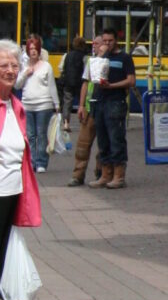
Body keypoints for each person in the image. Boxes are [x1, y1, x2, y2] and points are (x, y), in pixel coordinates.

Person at [0, 39, 43, 300]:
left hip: (11, 193)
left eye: (14, 65)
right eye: (3, 65)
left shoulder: (15, 105)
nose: (10, 70)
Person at [90, 30, 137, 190]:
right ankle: (105, 174)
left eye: (110, 40)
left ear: (117, 40)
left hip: (116, 101)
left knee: (116, 138)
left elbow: (131, 81)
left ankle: (119, 175)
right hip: (100, 101)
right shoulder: (101, 58)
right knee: (103, 140)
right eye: (104, 41)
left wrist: (112, 86)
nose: (107, 43)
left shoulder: (124, 58)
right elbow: (91, 77)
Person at [14, 35, 59, 174]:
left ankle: (41, 163)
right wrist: (25, 73)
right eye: (30, 49)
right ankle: (31, 162)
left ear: (39, 50)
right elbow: (17, 85)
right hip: (27, 105)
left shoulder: (46, 66)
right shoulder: (24, 67)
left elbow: (52, 86)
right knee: (30, 135)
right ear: (27, 51)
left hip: (43, 105)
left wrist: (56, 103)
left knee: (41, 134)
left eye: (35, 49)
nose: (33, 51)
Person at [68, 34, 106, 188]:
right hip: (90, 108)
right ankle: (78, 175)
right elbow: (85, 83)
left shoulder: (110, 60)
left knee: (104, 145)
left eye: (97, 44)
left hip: (105, 108)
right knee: (83, 145)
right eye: (94, 44)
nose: (94, 46)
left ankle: (100, 173)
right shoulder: (91, 61)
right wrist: (81, 105)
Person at [58, 34, 86, 127]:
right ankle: (83, 121)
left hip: (68, 82)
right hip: (80, 83)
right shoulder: (84, 57)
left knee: (67, 102)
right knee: (82, 102)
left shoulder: (67, 55)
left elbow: (61, 68)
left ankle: (66, 123)